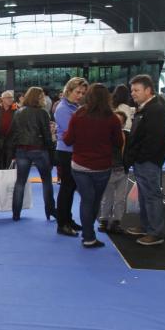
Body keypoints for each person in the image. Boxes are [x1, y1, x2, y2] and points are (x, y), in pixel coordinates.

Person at [63, 84, 123, 248]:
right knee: (95, 201)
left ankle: (88, 236)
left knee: (86, 200)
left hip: (79, 166)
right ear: (107, 98)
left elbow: (68, 140)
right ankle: (89, 235)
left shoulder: (78, 115)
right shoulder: (112, 118)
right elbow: (119, 142)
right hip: (102, 167)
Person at [124, 74, 165, 246]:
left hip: (148, 161)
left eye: (136, 90)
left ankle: (155, 232)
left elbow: (153, 139)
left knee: (151, 196)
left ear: (148, 90)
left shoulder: (155, 109)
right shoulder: (146, 107)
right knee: (144, 195)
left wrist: (141, 158)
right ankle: (146, 226)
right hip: (143, 161)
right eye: (132, 90)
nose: (133, 93)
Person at [8, 87, 56, 221]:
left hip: (22, 150)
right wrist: (52, 155)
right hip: (39, 150)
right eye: (41, 97)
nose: (44, 99)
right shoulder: (42, 113)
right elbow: (47, 136)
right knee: (46, 182)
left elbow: (13, 133)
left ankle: (15, 214)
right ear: (38, 98)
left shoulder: (18, 112)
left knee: (20, 182)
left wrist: (13, 152)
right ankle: (50, 211)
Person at [54, 77, 89, 237]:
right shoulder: (63, 109)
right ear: (69, 90)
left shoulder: (75, 107)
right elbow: (72, 133)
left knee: (70, 188)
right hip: (66, 151)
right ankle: (62, 224)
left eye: (83, 92)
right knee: (66, 189)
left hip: (73, 151)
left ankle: (67, 219)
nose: (80, 95)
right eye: (77, 92)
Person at [98, 111, 129, 235]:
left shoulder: (127, 135)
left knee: (120, 199)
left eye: (120, 121)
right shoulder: (104, 135)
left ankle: (117, 221)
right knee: (107, 197)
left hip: (122, 169)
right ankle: (104, 220)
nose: (117, 123)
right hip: (108, 170)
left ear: (124, 123)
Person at [0, 90, 18, 170]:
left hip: (12, 141)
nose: (11, 99)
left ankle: (9, 181)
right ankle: (0, 180)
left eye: (12, 97)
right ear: (2, 99)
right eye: (8, 97)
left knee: (10, 165)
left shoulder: (17, 110)